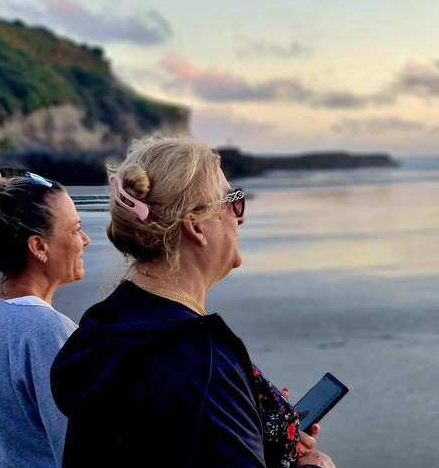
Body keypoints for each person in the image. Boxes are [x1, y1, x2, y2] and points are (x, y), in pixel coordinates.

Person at [51, 137, 334, 468]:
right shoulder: (199, 363)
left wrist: (246, 425)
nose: (239, 217)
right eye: (232, 201)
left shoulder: (102, 324)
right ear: (196, 226)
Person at [0, 170, 91, 468]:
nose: (85, 240)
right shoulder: (46, 330)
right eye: (75, 230)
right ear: (39, 247)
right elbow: (76, 447)